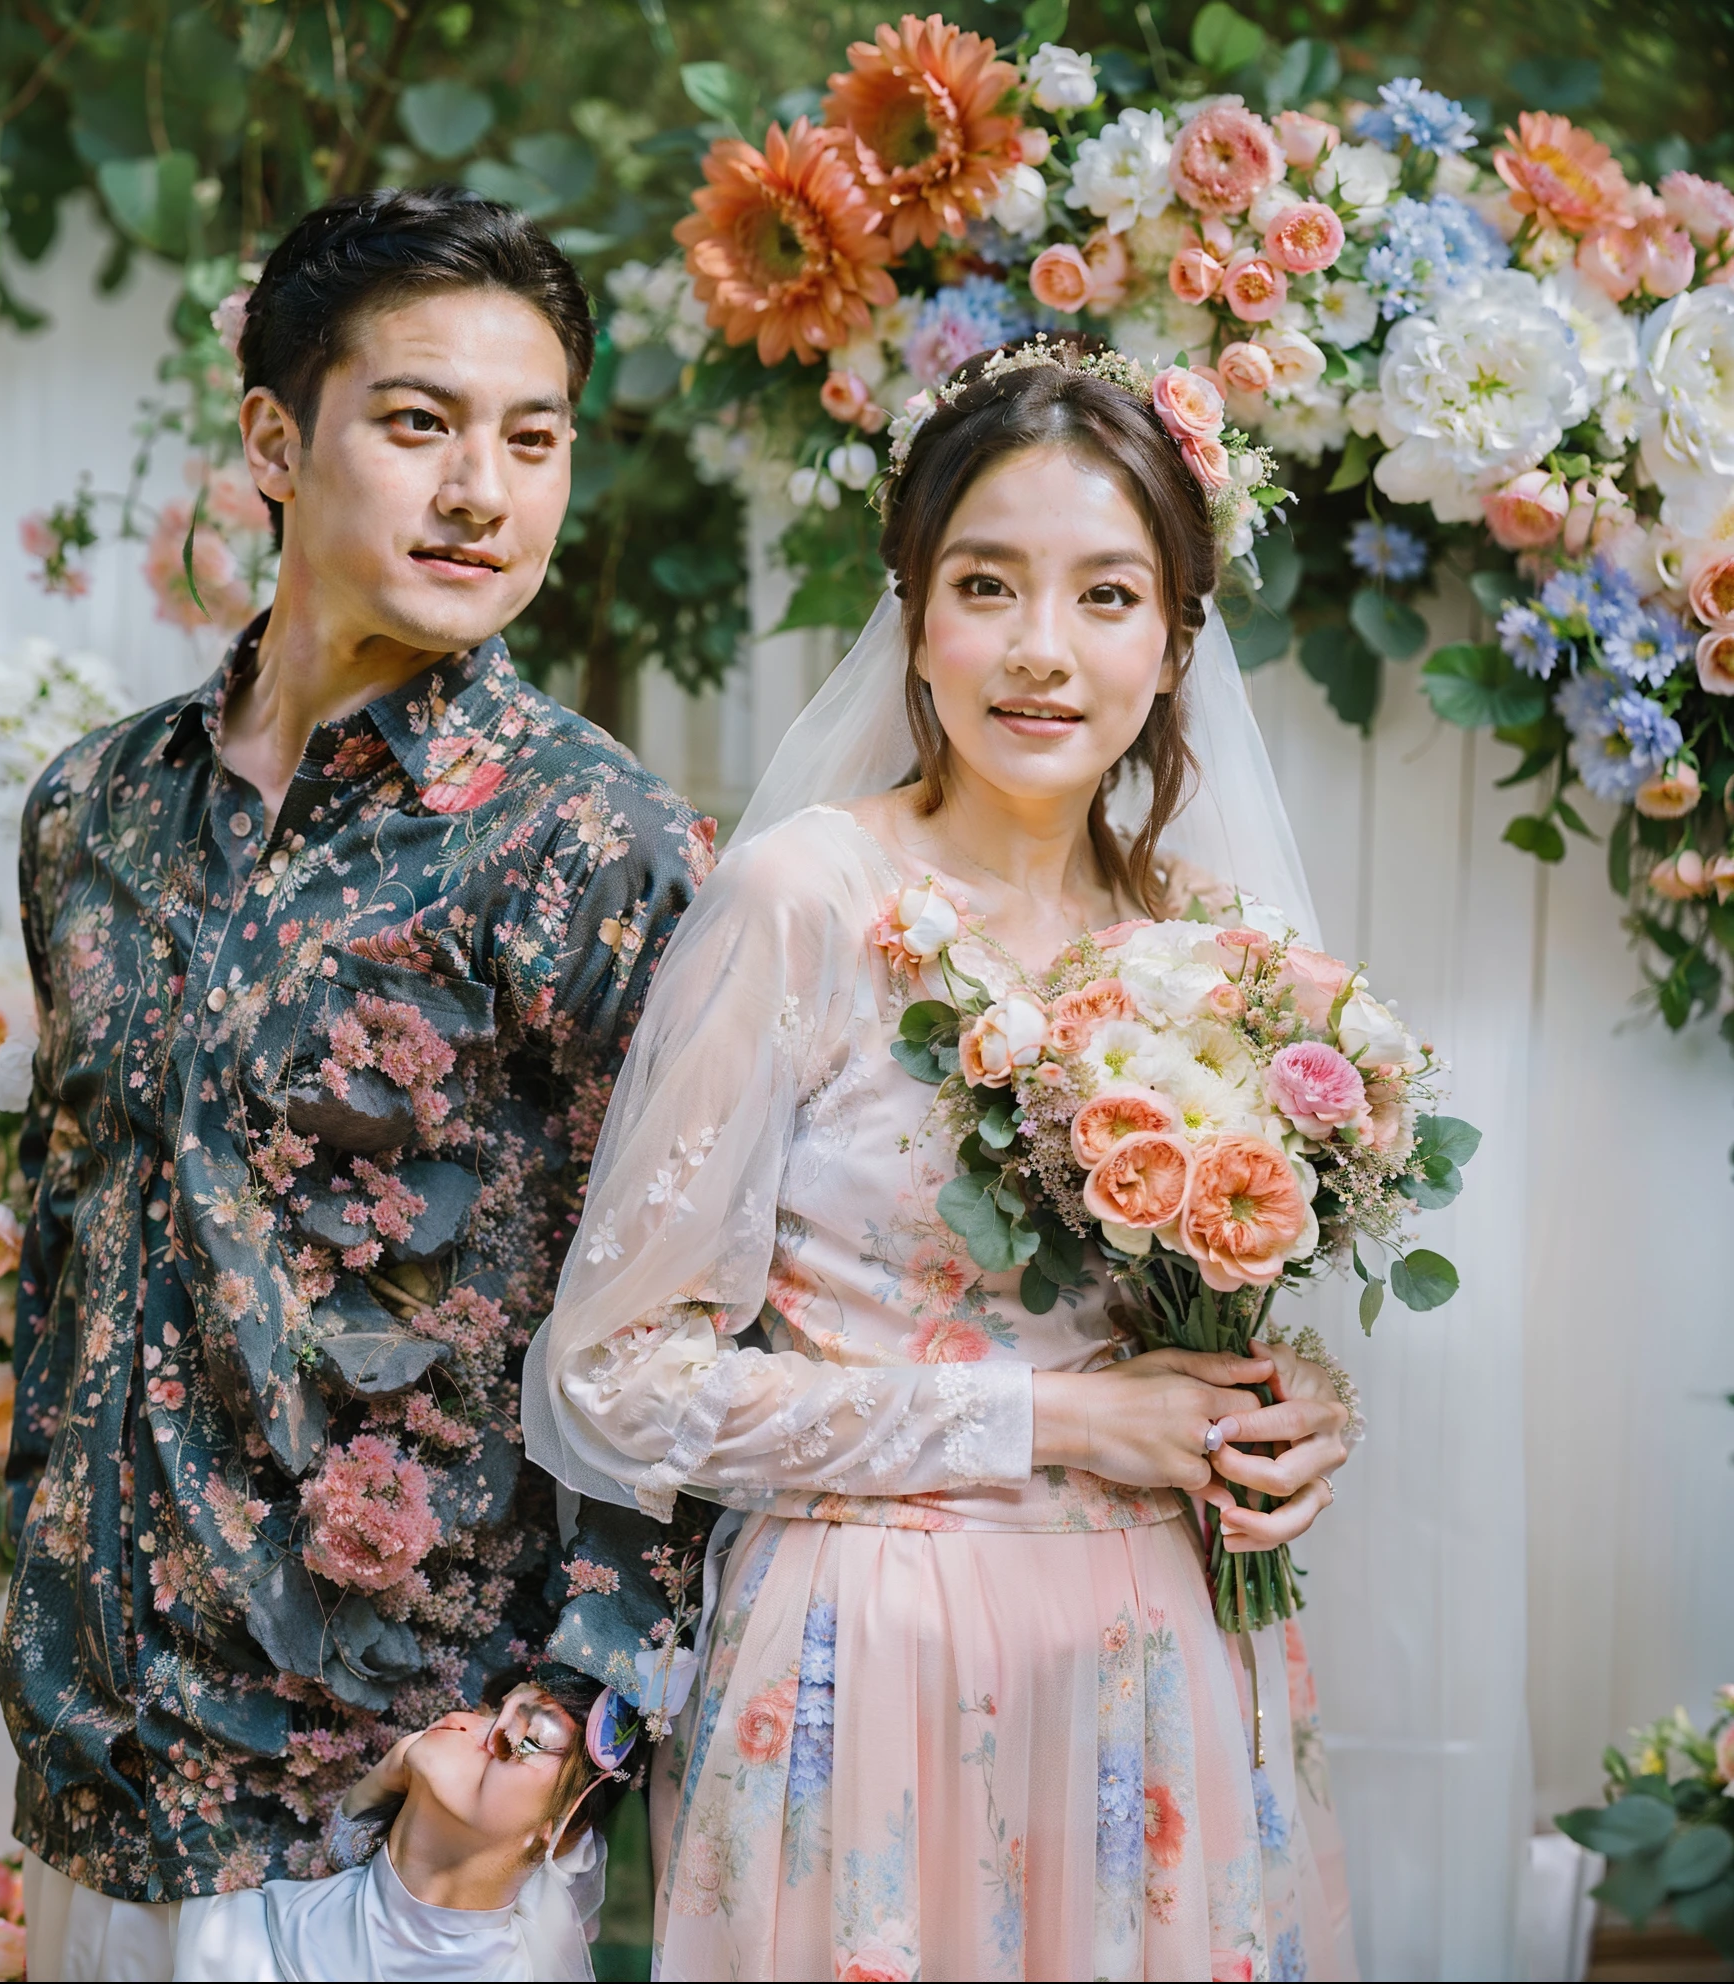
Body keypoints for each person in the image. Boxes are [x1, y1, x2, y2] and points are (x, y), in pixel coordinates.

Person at [525, 338, 1360, 1980]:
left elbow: (1196, 1333)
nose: (1041, 650)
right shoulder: (804, 900)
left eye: (1106, 596)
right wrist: (1048, 1416)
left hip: (1151, 1660)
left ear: (1175, 638)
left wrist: (1286, 1407)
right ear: (911, 608)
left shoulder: (1222, 949)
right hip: (868, 1659)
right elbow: (610, 1379)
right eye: (988, 583)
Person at [1, 186, 712, 1982]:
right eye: (419, 422)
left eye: (531, 439)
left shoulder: (587, 836)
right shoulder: (94, 814)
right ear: (273, 437)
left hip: (394, 1809)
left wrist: (564, 1744)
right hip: (107, 1784)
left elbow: (696, 1308)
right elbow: (67, 1257)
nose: (483, 489)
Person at [171, 1668, 637, 1981]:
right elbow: (345, 1846)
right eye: (493, 1709)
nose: (469, 1725)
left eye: (529, 1739)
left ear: (560, 1830)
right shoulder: (215, 1922)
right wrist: (396, 1764)